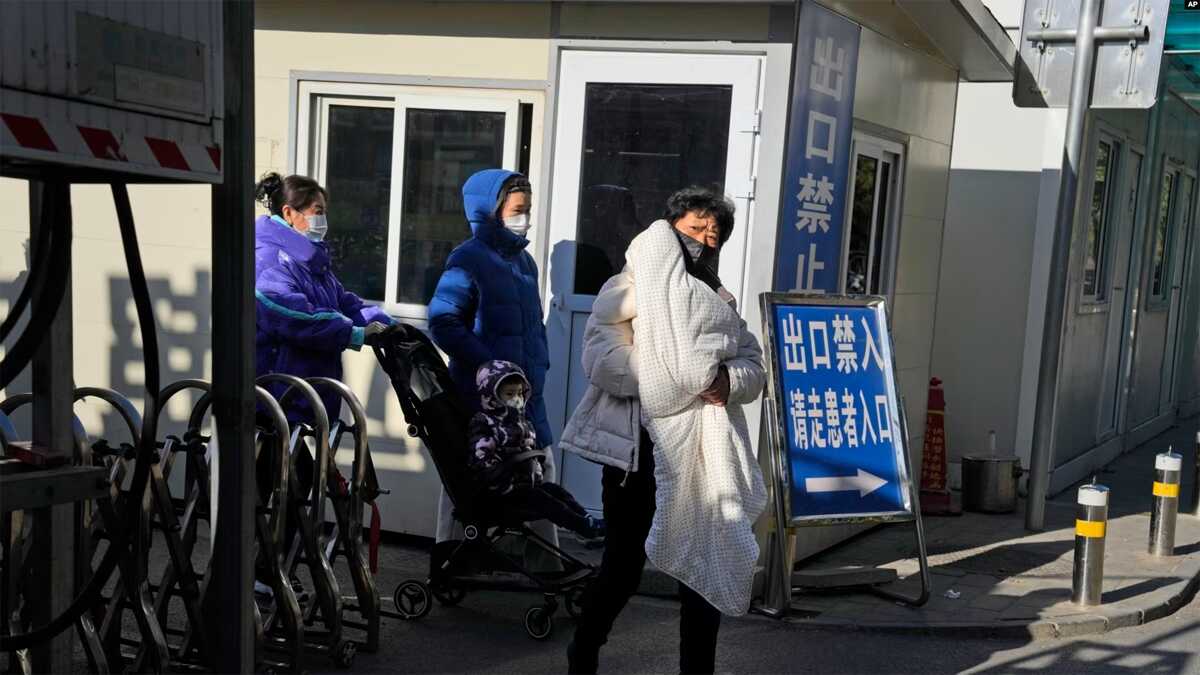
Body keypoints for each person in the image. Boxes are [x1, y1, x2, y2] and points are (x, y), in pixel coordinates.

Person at [562, 186, 767, 675]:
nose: (703, 240)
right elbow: (600, 358)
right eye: (695, 229)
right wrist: (677, 374)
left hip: (701, 453)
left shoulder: (719, 300)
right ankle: (583, 652)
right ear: (670, 229)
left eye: (713, 234)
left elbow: (754, 365)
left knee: (703, 569)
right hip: (637, 454)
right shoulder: (630, 284)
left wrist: (724, 380)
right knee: (623, 568)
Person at [252, 172, 394, 602]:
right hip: (276, 399)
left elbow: (341, 301)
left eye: (324, 213)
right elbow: (284, 311)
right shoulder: (270, 258)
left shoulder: (310, 259)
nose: (321, 221)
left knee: (295, 495)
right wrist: (352, 333)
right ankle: (261, 578)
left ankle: (269, 574)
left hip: (301, 398)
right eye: (315, 213)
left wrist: (376, 318)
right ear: (289, 213)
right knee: (285, 495)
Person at [427, 169, 559, 568]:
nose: (526, 218)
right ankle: (446, 558)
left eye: (528, 210)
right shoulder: (467, 259)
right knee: (465, 481)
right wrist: (490, 364)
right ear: (490, 211)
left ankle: (546, 566)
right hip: (481, 397)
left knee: (541, 470)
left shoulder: (525, 262)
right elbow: (443, 322)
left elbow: (531, 325)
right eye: (518, 210)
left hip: (524, 397)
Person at [469, 360, 604, 540]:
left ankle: (586, 519)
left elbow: (528, 448)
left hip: (524, 484)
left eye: (519, 393)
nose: (516, 399)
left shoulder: (522, 421)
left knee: (556, 491)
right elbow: (482, 457)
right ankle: (582, 527)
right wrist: (503, 481)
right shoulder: (484, 422)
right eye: (509, 394)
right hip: (501, 491)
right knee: (544, 501)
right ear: (492, 396)